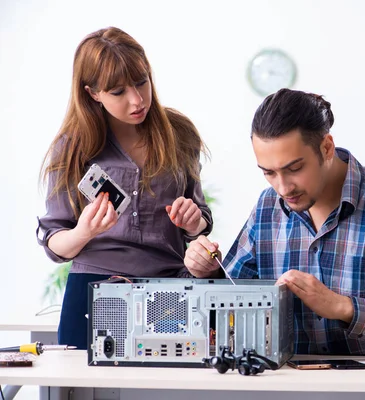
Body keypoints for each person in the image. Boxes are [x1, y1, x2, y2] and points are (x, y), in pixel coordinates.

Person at [184, 88, 365, 355]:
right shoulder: (267, 207)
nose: (283, 187)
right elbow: (232, 301)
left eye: (294, 168)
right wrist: (209, 271)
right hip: (290, 386)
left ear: (326, 147)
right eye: (269, 173)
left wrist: (344, 308)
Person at [37, 27, 213, 350]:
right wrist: (84, 232)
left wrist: (195, 222)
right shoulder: (72, 148)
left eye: (142, 81)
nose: (137, 100)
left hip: (169, 290)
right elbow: (53, 241)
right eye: (118, 92)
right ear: (93, 93)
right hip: (92, 290)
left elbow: (201, 219)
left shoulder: (180, 134)